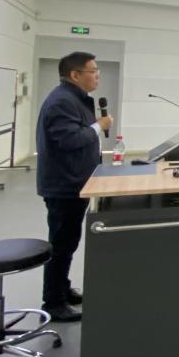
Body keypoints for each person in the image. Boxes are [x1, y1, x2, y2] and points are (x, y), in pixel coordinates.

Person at [35, 51, 110, 322]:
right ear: (75, 75)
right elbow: (70, 140)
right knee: (62, 243)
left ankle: (62, 289)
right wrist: (99, 126)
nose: (97, 75)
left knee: (68, 241)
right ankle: (53, 303)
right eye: (93, 71)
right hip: (64, 184)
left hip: (74, 181)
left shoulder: (74, 99)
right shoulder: (62, 102)